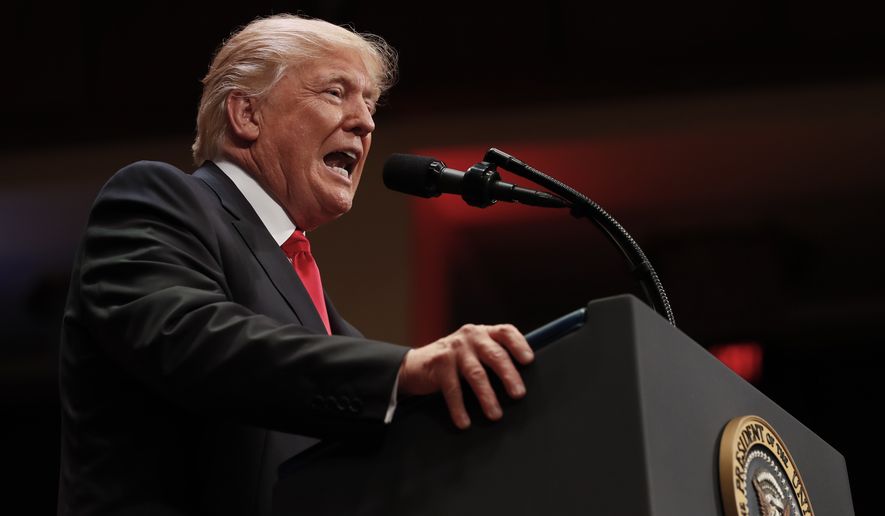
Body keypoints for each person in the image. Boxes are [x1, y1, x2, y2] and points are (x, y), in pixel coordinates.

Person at [57, 13, 534, 516]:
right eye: (335, 92)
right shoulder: (158, 198)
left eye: (369, 103)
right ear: (247, 114)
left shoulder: (320, 308)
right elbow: (194, 338)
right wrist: (405, 368)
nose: (366, 122)